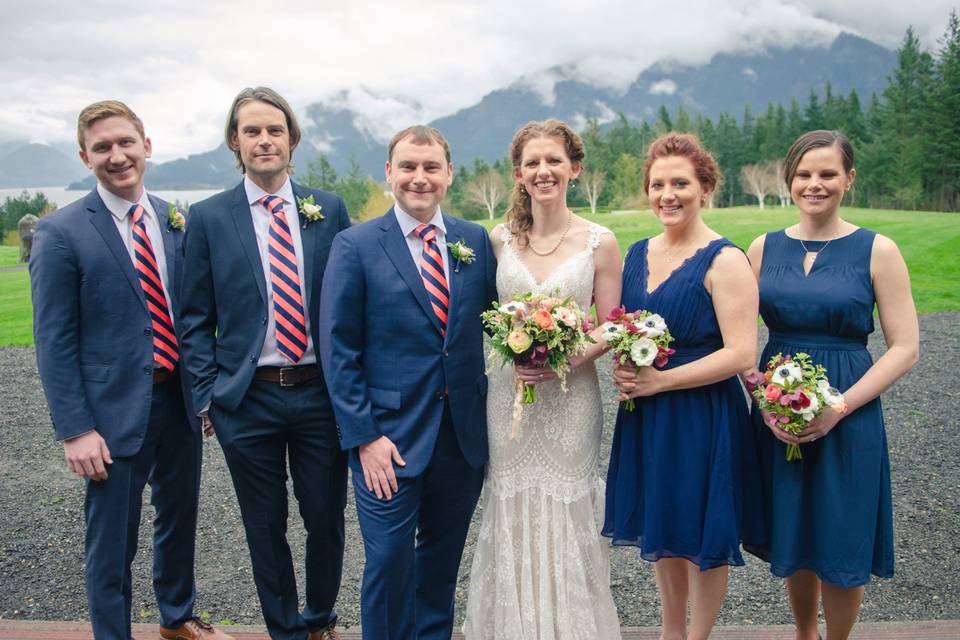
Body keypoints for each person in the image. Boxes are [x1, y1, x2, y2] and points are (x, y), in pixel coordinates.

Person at [29, 100, 231, 640]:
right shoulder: (62, 233)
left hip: (181, 402)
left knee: (179, 517)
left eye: (125, 143)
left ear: (147, 145)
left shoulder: (177, 221)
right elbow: (53, 339)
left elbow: (196, 317)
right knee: (112, 537)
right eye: (102, 148)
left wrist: (206, 394)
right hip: (109, 412)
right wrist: (75, 428)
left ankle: (176, 615)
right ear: (84, 157)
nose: (117, 156)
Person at [179, 87, 352, 640]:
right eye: (251, 131)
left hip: (319, 391)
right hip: (246, 398)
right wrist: (207, 394)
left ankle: (320, 618)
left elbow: (350, 301)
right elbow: (193, 315)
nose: (264, 140)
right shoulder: (207, 218)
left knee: (325, 518)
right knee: (264, 524)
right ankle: (285, 631)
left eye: (274, 130)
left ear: (292, 138)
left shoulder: (328, 209)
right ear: (235, 141)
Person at [318, 125, 497, 640]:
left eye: (431, 167)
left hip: (460, 438)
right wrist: (364, 438)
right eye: (409, 167)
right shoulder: (354, 245)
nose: (420, 178)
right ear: (389, 173)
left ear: (449, 174)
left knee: (441, 564)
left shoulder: (473, 240)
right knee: (389, 562)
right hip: (387, 439)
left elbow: (492, 322)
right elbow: (339, 350)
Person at [743, 130, 919, 640]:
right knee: (794, 527)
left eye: (827, 174)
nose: (814, 184)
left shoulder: (877, 250)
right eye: (803, 174)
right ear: (789, 180)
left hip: (849, 405)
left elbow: (905, 347)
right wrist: (765, 400)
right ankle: (804, 634)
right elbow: (737, 334)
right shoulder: (763, 247)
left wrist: (838, 407)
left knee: (841, 530)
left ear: (849, 179)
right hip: (777, 405)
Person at [462, 119, 622, 639]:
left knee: (567, 506)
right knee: (511, 504)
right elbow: (487, 318)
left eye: (554, 160)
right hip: (510, 397)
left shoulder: (601, 241)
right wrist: (515, 347)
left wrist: (566, 359)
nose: (543, 170)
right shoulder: (499, 238)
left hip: (572, 398)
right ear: (518, 174)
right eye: (532, 162)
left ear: (574, 168)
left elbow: (612, 325)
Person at [603, 133, 765, 640]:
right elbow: (621, 329)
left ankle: (697, 636)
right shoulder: (635, 255)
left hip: (702, 413)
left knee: (701, 529)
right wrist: (623, 367)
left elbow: (741, 353)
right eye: (657, 185)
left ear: (705, 188)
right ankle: (670, 632)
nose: (667, 194)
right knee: (663, 523)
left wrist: (660, 381)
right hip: (648, 414)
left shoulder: (725, 261)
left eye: (680, 183)